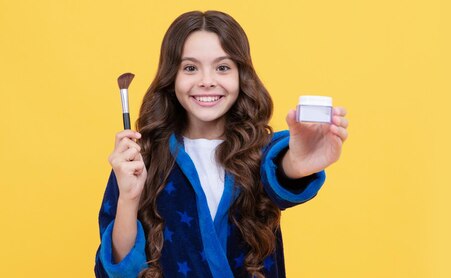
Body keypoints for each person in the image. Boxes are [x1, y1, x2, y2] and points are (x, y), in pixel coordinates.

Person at [94, 10, 348, 278]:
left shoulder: (261, 153)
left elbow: (281, 170)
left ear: (241, 76)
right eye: (190, 68)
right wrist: (129, 198)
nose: (206, 81)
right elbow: (118, 270)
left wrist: (295, 164)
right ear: (172, 77)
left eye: (223, 67)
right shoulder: (139, 158)